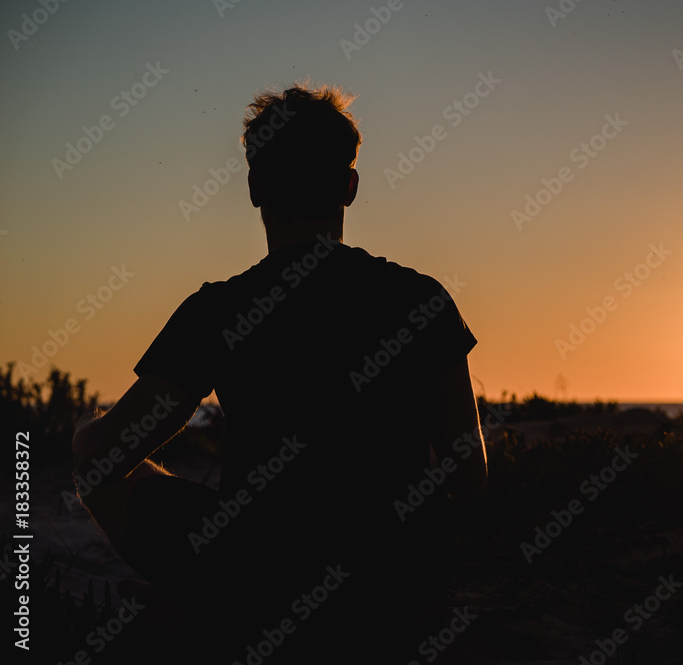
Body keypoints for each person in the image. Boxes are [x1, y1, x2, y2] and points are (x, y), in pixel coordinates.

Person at [71, 82, 488, 663]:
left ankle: (198, 610)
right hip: (398, 600)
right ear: (350, 187)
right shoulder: (423, 299)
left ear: (253, 187)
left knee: (94, 465)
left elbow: (106, 457)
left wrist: (85, 433)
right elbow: (470, 475)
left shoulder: (220, 311)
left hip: (258, 591)